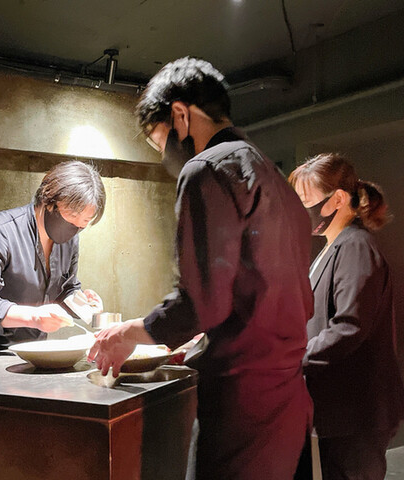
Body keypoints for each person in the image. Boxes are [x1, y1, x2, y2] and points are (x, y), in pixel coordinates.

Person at [88, 57, 313, 479]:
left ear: (180, 115)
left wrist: (129, 333)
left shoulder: (206, 169)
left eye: (160, 141)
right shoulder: (274, 178)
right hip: (289, 399)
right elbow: (259, 292)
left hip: (242, 403)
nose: (165, 155)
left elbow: (201, 302)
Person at [289, 153, 404, 480]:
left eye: (305, 201)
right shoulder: (333, 246)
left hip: (357, 409)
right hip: (341, 409)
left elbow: (349, 326)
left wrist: (293, 357)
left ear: (337, 199)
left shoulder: (355, 245)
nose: (300, 211)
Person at [0, 160, 105, 356]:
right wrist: (33, 317)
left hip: (36, 353)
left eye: (85, 222)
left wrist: (83, 304)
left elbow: (66, 290)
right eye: (72, 216)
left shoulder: (70, 241)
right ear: (48, 200)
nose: (76, 227)